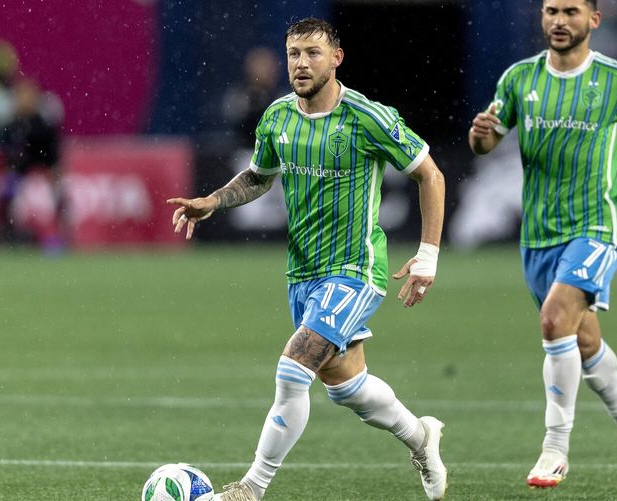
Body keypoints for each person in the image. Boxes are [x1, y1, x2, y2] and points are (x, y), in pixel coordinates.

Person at [169, 17, 448, 501]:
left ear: (336, 58)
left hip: (355, 270)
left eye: (312, 53)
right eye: (294, 52)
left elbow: (431, 175)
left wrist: (427, 255)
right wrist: (213, 202)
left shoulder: (367, 117)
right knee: (346, 386)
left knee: (293, 368)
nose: (301, 62)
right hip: (303, 273)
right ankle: (422, 437)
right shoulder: (277, 117)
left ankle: (249, 489)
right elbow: (259, 177)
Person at [468, 0, 617, 489]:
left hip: (597, 225)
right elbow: (488, 141)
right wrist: (480, 137)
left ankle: (555, 448)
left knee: (554, 319)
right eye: (551, 11)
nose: (559, 21)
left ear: (593, 21)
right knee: (580, 339)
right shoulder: (519, 78)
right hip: (539, 234)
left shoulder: (616, 79)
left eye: (571, 12)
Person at [0, 78, 64, 251]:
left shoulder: (42, 125)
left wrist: (50, 174)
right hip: (19, 176)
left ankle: (52, 237)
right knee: (8, 189)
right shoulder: (11, 125)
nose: (24, 100)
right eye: (21, 96)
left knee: (45, 198)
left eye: (27, 96)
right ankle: (11, 235)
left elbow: (52, 156)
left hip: (40, 175)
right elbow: (6, 154)